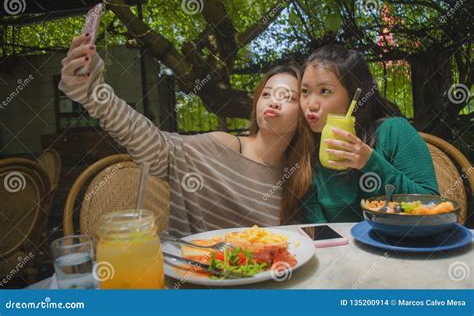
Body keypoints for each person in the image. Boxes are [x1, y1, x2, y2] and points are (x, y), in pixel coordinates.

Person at [59, 34, 312, 236]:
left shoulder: (300, 176)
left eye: (287, 97)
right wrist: (94, 93)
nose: (274, 102)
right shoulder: (225, 147)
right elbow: (158, 149)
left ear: (303, 115)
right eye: (266, 94)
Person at [287, 44, 439, 224]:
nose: (310, 104)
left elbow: (432, 205)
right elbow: (316, 222)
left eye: (324, 91)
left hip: (403, 246)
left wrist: (371, 163)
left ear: (354, 95)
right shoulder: (309, 144)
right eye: (305, 91)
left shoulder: (393, 131)